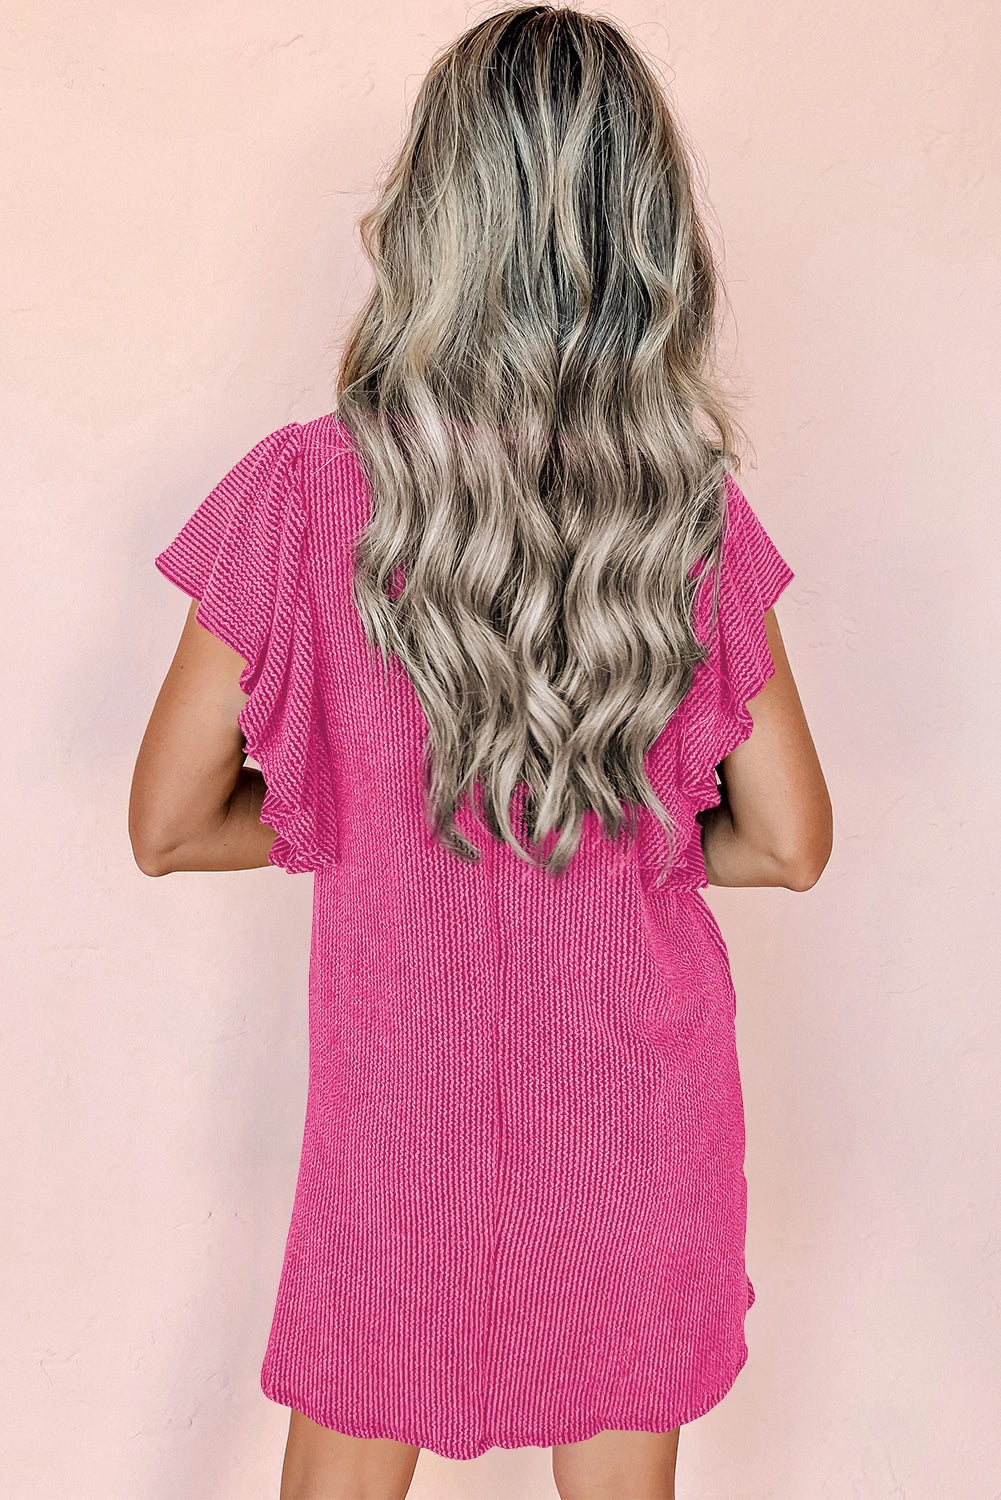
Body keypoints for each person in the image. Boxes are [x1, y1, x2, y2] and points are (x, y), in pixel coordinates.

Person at [130, 6, 833, 1497]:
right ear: (646, 238)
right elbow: (788, 843)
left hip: (401, 1115)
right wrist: (617, 839)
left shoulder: (303, 494)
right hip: (634, 1115)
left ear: (429, 214)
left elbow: (170, 824)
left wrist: (362, 819)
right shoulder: (690, 517)